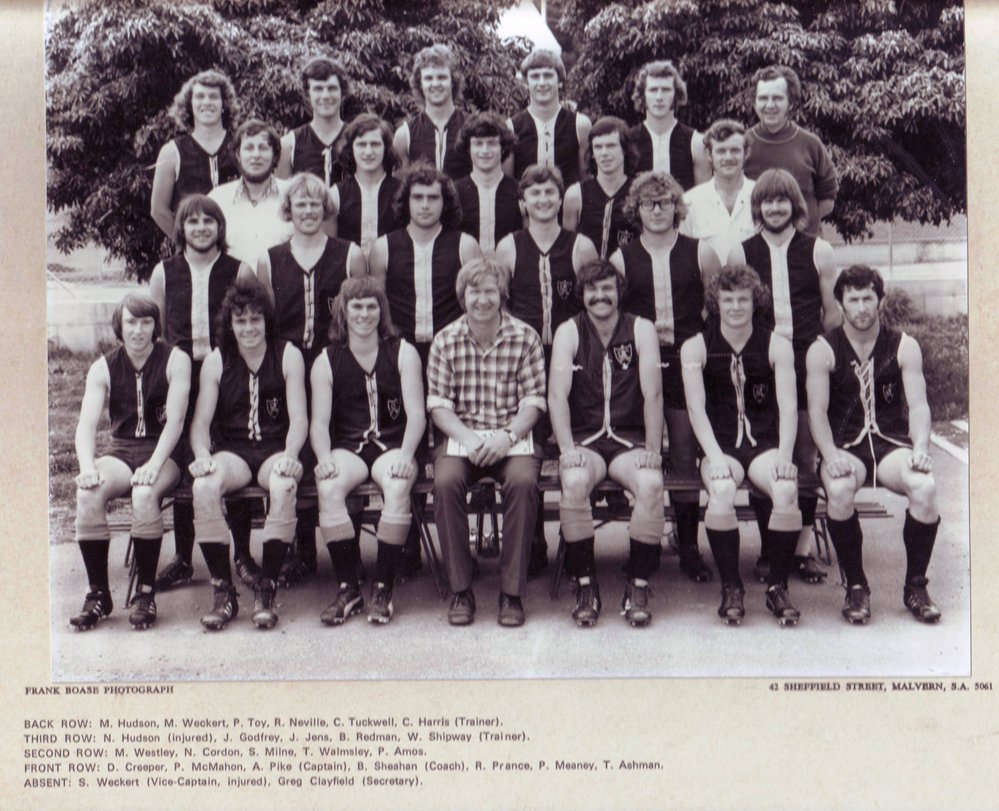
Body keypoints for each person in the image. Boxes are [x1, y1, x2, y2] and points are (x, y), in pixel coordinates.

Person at [806, 265, 942, 625]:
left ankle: (916, 586)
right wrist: (831, 455)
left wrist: (921, 447)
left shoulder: (903, 346)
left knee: (925, 487)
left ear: (880, 301)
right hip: (845, 446)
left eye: (868, 298)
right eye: (853, 299)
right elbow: (817, 413)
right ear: (840, 304)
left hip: (889, 442)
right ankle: (856, 585)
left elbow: (918, 405)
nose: (862, 307)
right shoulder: (823, 350)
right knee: (838, 489)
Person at [728, 169, 838, 584]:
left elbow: (831, 314)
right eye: (767, 201)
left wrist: (817, 358)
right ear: (757, 207)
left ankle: (803, 548)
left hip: (806, 359)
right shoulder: (741, 252)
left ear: (796, 205)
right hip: (763, 362)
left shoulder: (818, 250)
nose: (775, 207)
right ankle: (770, 550)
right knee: (770, 452)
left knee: (806, 455)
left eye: (782, 200)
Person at [256, 172, 367, 587]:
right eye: (299, 204)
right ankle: (301, 551)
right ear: (289, 210)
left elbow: (361, 311)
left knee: (338, 447)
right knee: (297, 450)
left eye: (314, 204)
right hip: (288, 365)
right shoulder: (269, 259)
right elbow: (265, 321)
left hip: (336, 362)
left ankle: (348, 550)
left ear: (326, 210)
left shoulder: (349, 254)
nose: (307, 211)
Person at [612, 170, 720, 582]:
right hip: (640, 359)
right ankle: (647, 541)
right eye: (647, 204)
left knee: (683, 451)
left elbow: (716, 309)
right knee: (643, 450)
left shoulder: (701, 252)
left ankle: (689, 544)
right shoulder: (622, 257)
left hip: (686, 359)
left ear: (677, 207)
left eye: (664, 203)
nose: (656, 210)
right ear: (635, 210)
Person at [681, 265, 803, 627]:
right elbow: (695, 408)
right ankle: (731, 587)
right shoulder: (696, 346)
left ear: (756, 301)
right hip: (720, 447)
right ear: (715, 303)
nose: (735, 307)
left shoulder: (776, 344)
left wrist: (784, 455)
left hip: (764, 444)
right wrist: (714, 457)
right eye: (728, 299)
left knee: (785, 488)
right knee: (720, 490)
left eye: (743, 299)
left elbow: (788, 405)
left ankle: (777, 587)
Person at [427, 259, 547, 627]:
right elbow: (438, 406)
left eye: (490, 291)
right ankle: (461, 589)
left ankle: (511, 593)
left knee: (524, 483)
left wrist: (507, 435)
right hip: (462, 439)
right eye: (475, 291)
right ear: (463, 296)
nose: (483, 300)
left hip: (510, 437)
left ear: (502, 295)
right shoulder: (445, 340)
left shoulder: (525, 336)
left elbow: (535, 401)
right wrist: (466, 437)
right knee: (445, 483)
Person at [148, 195, 256, 593]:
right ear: (181, 229)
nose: (201, 228)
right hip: (180, 373)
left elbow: (253, 316)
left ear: (219, 227)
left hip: (226, 369)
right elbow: (157, 328)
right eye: (192, 222)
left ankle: (243, 553)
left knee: (230, 451)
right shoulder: (164, 272)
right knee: (186, 458)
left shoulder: (238, 268)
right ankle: (182, 557)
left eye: (208, 221)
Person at [548, 259, 664, 627]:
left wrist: (652, 449)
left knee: (650, 484)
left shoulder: (641, 329)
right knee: (575, 480)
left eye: (607, 289)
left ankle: (639, 584)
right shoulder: (569, 331)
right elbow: (556, 396)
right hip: (586, 439)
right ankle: (585, 583)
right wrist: (566, 448)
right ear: (582, 295)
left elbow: (654, 393)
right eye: (592, 290)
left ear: (619, 291)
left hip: (628, 439)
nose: (600, 296)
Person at [496, 164, 598, 576]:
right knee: (531, 450)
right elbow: (501, 305)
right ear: (523, 202)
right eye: (534, 194)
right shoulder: (508, 246)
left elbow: (591, 305)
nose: (542, 201)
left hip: (570, 355)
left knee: (576, 445)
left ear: (560, 200)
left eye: (549, 194)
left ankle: (575, 542)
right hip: (526, 359)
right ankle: (532, 539)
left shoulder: (580, 246)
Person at [189, 280, 308, 631]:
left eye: (256, 319)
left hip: (274, 449)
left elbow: (300, 417)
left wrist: (291, 453)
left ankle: (266, 587)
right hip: (235, 452)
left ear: (266, 321)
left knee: (284, 484)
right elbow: (200, 422)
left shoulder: (287, 354)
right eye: (240, 320)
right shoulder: (216, 360)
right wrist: (200, 453)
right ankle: (223, 591)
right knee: (203, 487)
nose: (249, 327)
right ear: (230, 324)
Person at [70, 294, 191, 630]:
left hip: (164, 450)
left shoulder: (174, 359)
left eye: (146, 322)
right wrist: (87, 467)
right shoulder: (103, 366)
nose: (138, 331)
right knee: (88, 495)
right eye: (131, 323)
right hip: (121, 450)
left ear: (156, 326)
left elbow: (176, 422)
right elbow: (86, 425)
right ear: (119, 328)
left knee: (144, 493)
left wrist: (154, 463)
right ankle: (98, 594)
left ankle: (146, 592)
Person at [310, 277, 426, 625]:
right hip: (350, 447)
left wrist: (407, 455)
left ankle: (383, 587)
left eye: (371, 306)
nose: (364, 314)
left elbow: (418, 414)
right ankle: (348, 588)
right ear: (343, 311)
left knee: (396, 485)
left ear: (382, 310)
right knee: (329, 487)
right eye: (356, 306)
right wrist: (323, 457)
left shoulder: (402, 351)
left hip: (393, 444)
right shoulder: (326, 359)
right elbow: (319, 422)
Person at [369, 162, 481, 367]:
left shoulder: (465, 245)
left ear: (445, 202)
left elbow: (475, 304)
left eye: (433, 197)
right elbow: (378, 306)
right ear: (406, 200)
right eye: (418, 197)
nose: (425, 205)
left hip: (453, 351)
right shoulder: (383, 247)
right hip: (400, 352)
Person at [743, 65, 838, 237]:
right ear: (754, 102)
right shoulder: (739, 146)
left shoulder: (811, 144)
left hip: (804, 247)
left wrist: (799, 225)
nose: (770, 105)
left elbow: (827, 200)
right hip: (754, 247)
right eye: (763, 98)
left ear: (791, 103)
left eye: (777, 98)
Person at [150, 70, 241, 237]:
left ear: (224, 104)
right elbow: (158, 210)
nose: (206, 102)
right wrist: (186, 244)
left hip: (239, 246)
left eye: (213, 96)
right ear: (189, 105)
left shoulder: (241, 146)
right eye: (200, 96)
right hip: (193, 254)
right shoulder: (172, 152)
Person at [208, 119, 292, 265]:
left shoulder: (293, 195)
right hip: (230, 286)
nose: (256, 155)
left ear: (275, 155)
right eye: (249, 148)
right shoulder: (217, 199)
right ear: (238, 155)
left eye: (263, 148)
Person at [508, 49, 591, 187]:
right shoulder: (511, 127)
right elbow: (508, 183)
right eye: (535, 76)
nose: (541, 83)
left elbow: (586, 181)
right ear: (525, 83)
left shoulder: (580, 125)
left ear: (560, 81)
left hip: (568, 206)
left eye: (548, 75)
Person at [680, 118, 757, 265]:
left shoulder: (762, 197)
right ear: (709, 155)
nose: (728, 157)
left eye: (735, 150)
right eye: (721, 151)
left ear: (746, 153)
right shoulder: (689, 202)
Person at [562, 116, 640, 259]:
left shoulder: (638, 192)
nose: (604, 153)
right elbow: (567, 249)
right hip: (587, 277)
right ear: (592, 153)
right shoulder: (575, 195)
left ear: (624, 149)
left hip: (628, 275)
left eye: (611, 146)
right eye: (598, 147)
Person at [628, 60, 710, 190]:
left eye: (666, 90)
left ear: (676, 95)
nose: (659, 97)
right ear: (643, 95)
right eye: (653, 90)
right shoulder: (628, 141)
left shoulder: (696, 143)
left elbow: (703, 198)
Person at [393, 44, 471, 180]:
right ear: (420, 84)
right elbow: (400, 190)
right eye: (428, 78)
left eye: (442, 77)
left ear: (453, 81)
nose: (435, 84)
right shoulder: (404, 135)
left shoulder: (471, 127)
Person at [331, 114, 403, 256]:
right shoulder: (335, 195)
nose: (368, 152)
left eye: (375, 144)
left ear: (386, 148)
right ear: (351, 148)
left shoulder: (403, 192)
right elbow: (331, 248)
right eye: (361, 144)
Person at [452, 112, 522, 256]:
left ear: (503, 148)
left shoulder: (519, 191)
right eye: (478, 144)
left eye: (491, 143)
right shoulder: (453, 192)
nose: (485, 150)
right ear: (468, 148)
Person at [277, 56, 351, 187]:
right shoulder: (289, 145)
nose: (326, 96)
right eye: (318, 89)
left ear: (342, 92)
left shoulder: (357, 139)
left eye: (332, 88)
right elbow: (282, 198)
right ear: (307, 94)